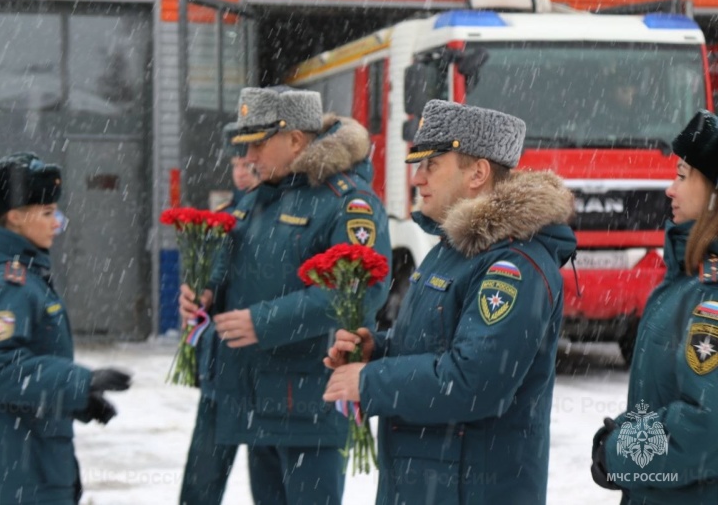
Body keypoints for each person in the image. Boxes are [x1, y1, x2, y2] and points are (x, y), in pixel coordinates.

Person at [323, 100, 577, 504]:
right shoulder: (453, 247)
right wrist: (377, 350)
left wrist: (370, 382)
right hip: (424, 482)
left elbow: (475, 382)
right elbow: (442, 341)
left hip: (471, 489)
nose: (417, 178)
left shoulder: (514, 264)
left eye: (432, 166)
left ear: (478, 173)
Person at [179, 86, 391, 504]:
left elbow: (358, 293)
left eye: (257, 144)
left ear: (295, 139)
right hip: (258, 399)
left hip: (308, 404)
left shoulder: (349, 204)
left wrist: (263, 322)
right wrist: (204, 294)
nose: (249, 156)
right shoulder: (260, 198)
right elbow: (233, 261)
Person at [0, 152, 132, 505]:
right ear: (15, 217)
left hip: (29, 456)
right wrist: (79, 381)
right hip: (16, 465)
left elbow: (24, 370)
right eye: (47, 213)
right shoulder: (5, 284)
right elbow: (2, 368)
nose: (57, 223)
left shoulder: (22, 275)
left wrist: (76, 401)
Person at [591, 109, 718, 503]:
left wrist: (617, 452)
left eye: (682, 176)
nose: (670, 189)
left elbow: (704, 429)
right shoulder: (687, 280)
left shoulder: (709, 296)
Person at [179, 123, 259, 505]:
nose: (242, 171)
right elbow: (210, 276)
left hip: (263, 367)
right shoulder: (223, 217)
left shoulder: (281, 216)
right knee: (201, 479)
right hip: (222, 366)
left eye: (248, 162)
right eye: (235, 163)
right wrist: (198, 295)